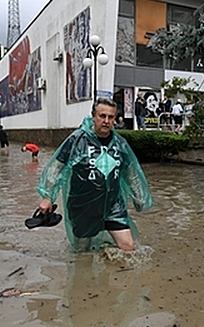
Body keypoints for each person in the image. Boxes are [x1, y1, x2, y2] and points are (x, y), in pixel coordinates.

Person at [36, 97, 154, 252]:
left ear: (114, 120)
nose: (106, 121)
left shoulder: (120, 144)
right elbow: (55, 168)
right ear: (93, 116)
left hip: (113, 205)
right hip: (83, 206)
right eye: (102, 116)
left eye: (110, 117)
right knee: (82, 252)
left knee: (128, 248)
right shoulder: (76, 140)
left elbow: (130, 172)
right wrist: (47, 197)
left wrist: (138, 197)